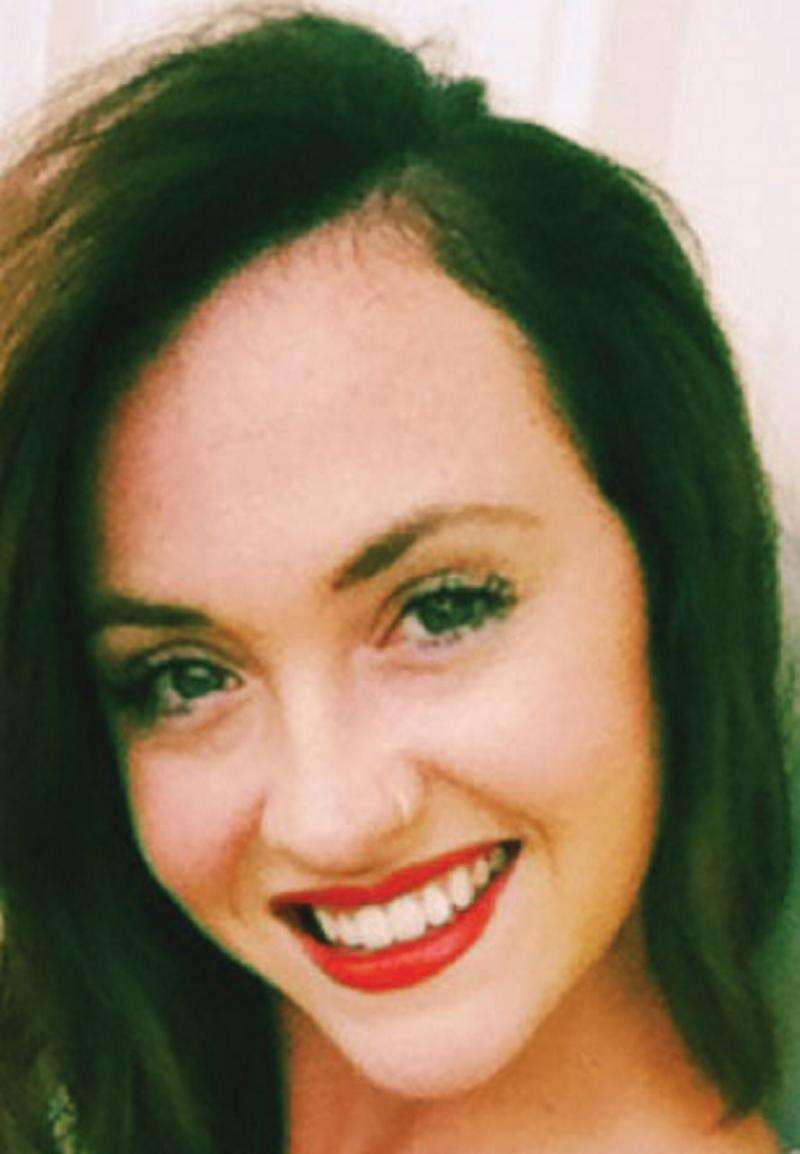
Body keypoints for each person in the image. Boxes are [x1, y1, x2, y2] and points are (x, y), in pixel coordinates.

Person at [0, 8, 796, 1154]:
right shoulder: (126, 1027)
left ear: (667, 562)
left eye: (441, 607)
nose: (327, 818)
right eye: (184, 676)